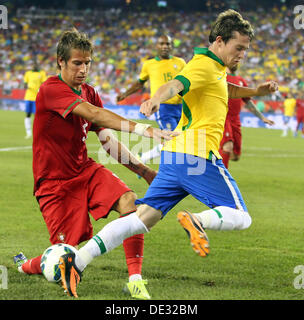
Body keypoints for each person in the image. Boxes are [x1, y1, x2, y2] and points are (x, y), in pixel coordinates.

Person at [58, 10, 278, 298]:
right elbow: (175, 85)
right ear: (221, 41)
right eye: (239, 48)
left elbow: (224, 88)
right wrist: (155, 99)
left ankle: (78, 261)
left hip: (176, 157)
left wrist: (257, 92)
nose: (242, 55)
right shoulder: (201, 65)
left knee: (141, 219)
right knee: (241, 215)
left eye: (246, 50)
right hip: (197, 155)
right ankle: (198, 219)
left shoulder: (215, 68)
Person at [13, 29, 177, 300]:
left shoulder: (90, 91)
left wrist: (144, 170)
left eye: (87, 62)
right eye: (77, 63)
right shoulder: (50, 89)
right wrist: (143, 130)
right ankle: (25, 264)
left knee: (129, 203)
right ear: (61, 62)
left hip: (84, 170)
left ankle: (135, 280)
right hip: (54, 184)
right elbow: (93, 113)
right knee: (65, 254)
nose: (83, 68)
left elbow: (108, 141)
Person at [117, 35, 186, 164]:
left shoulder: (180, 62)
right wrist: (125, 94)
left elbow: (188, 82)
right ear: (157, 46)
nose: (165, 46)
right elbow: (139, 83)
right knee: (172, 138)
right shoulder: (149, 65)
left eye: (168, 44)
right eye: (162, 44)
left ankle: (143, 157)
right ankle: (169, 173)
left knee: (179, 139)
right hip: (163, 107)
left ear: (171, 46)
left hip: (181, 107)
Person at [219, 65, 275, 168]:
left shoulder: (241, 80)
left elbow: (248, 102)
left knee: (235, 156)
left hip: (235, 119)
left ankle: (213, 159)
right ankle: (220, 178)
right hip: (223, 117)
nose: (236, 61)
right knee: (228, 146)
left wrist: (262, 117)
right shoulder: (221, 76)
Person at [23, 61, 47, 139]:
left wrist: (40, 89)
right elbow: (25, 83)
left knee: (37, 116)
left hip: (37, 97)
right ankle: (28, 132)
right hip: (28, 97)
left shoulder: (42, 73)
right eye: (33, 65)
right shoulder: (28, 73)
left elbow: (44, 84)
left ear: (38, 66)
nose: (34, 66)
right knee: (28, 114)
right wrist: (26, 86)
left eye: (36, 65)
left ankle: (37, 132)